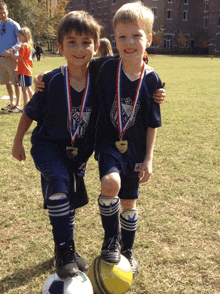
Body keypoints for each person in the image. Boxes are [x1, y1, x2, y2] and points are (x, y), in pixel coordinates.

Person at [12, 11, 101, 279]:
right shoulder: (49, 81)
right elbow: (29, 112)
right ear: (60, 47)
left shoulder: (101, 81)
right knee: (60, 185)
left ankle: (66, 249)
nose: (79, 48)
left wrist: (155, 87)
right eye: (71, 42)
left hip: (78, 154)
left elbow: (130, 64)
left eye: (86, 42)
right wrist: (17, 143)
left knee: (69, 201)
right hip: (48, 147)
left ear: (96, 46)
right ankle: (64, 250)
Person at [95, 1, 163, 277]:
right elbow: (76, 66)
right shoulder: (106, 68)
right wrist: (44, 76)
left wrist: (148, 158)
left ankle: (128, 250)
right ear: (114, 39)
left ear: (149, 39)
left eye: (136, 35)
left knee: (129, 202)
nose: (129, 42)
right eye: (122, 36)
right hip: (109, 144)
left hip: (135, 151)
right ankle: (111, 239)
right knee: (110, 183)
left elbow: (151, 124)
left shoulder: (152, 80)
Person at [4, 27, 34, 112]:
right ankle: (34, 104)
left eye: (20, 36)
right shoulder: (28, 45)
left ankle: (25, 108)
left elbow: (20, 58)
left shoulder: (24, 45)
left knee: (24, 90)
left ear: (25, 36)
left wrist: (9, 55)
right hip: (27, 70)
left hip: (24, 70)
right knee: (28, 89)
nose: (18, 38)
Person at [0, 2, 21, 112]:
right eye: (0, 13)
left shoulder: (14, 25)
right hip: (1, 59)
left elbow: (20, 42)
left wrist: (11, 51)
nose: (2, 15)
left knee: (15, 82)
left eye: (4, 12)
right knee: (6, 82)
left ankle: (18, 104)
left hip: (12, 58)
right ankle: (12, 103)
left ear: (7, 11)